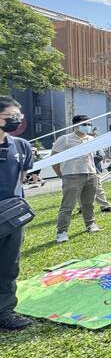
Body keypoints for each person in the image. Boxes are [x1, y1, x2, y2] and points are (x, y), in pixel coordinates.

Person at [0, 97, 34, 330]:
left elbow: (21, 180)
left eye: (18, 117)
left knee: (9, 266)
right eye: (12, 116)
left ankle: (4, 312)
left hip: (11, 217)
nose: (17, 121)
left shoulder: (22, 146)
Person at [50, 115, 102, 243]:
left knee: (88, 203)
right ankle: (62, 232)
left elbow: (94, 157)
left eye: (89, 124)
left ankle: (90, 224)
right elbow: (54, 158)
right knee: (68, 205)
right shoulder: (65, 139)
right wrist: (60, 173)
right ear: (75, 125)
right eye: (84, 124)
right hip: (71, 175)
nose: (87, 127)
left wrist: (94, 172)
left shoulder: (91, 139)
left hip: (90, 174)